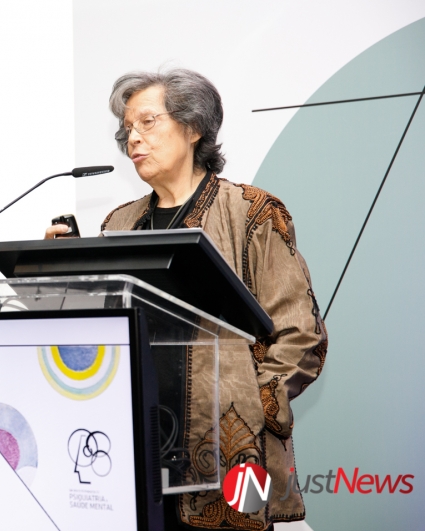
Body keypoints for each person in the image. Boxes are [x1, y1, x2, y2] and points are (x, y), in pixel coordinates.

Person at [45, 69, 328, 531]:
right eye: (127, 129)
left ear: (193, 127)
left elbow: (303, 336)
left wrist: (251, 406)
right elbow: (101, 333)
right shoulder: (119, 225)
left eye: (147, 122)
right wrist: (67, 274)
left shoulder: (252, 212)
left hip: (230, 454)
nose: (132, 138)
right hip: (134, 449)